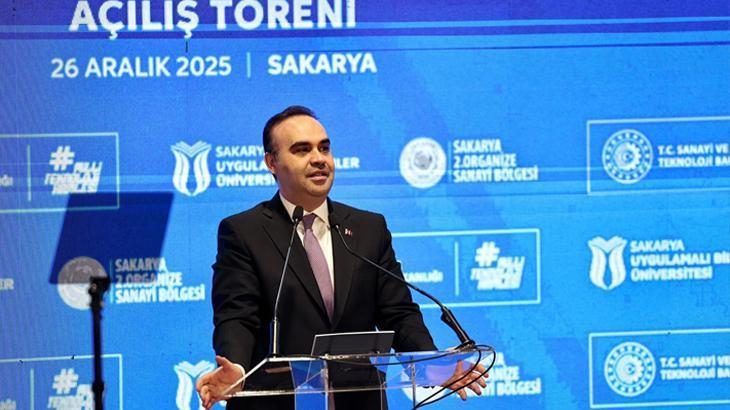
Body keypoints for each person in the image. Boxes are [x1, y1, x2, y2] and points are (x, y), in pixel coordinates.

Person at [197, 106, 486, 409]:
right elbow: (237, 317)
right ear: (272, 162)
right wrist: (237, 369)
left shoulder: (368, 228)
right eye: (302, 150)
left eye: (324, 148)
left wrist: (429, 362)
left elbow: (399, 313)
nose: (319, 158)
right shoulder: (245, 232)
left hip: (360, 401)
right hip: (279, 402)